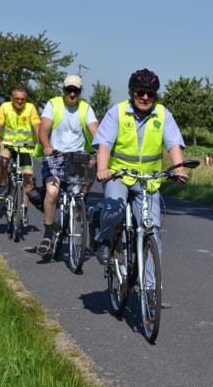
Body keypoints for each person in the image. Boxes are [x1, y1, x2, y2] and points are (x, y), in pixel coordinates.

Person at [93, 68, 188, 266]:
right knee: (113, 209)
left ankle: (151, 291)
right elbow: (104, 144)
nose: (145, 97)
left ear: (155, 95)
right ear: (131, 93)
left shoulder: (163, 115)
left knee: (151, 230)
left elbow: (174, 145)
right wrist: (102, 168)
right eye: (140, 92)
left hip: (149, 181)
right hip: (118, 176)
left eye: (150, 93)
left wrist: (179, 169)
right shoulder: (117, 112)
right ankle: (105, 238)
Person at [35, 75, 99, 256]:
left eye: (76, 90)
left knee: (93, 166)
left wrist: (99, 149)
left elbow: (96, 131)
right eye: (68, 90)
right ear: (63, 90)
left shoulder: (85, 108)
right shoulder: (53, 104)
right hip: (55, 156)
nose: (72, 93)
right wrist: (47, 146)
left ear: (80, 92)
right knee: (53, 192)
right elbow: (43, 129)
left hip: (77, 157)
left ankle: (82, 202)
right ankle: (48, 232)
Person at [0, 86, 41, 226]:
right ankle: (3, 184)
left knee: (28, 179)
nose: (20, 102)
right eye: (17, 99)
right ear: (11, 98)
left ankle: (24, 209)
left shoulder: (31, 108)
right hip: (8, 144)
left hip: (26, 147)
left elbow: (37, 126)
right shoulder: (5, 107)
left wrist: (41, 141)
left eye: (23, 100)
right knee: (3, 160)